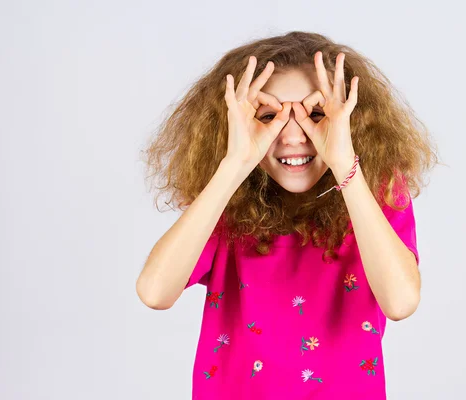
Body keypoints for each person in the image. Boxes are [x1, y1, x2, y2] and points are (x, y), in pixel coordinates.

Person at [137, 31, 438, 399]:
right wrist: (235, 163)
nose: (293, 136)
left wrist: (344, 162)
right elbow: (154, 291)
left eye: (316, 114)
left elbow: (401, 302)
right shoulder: (229, 206)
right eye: (269, 116)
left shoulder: (375, 192)